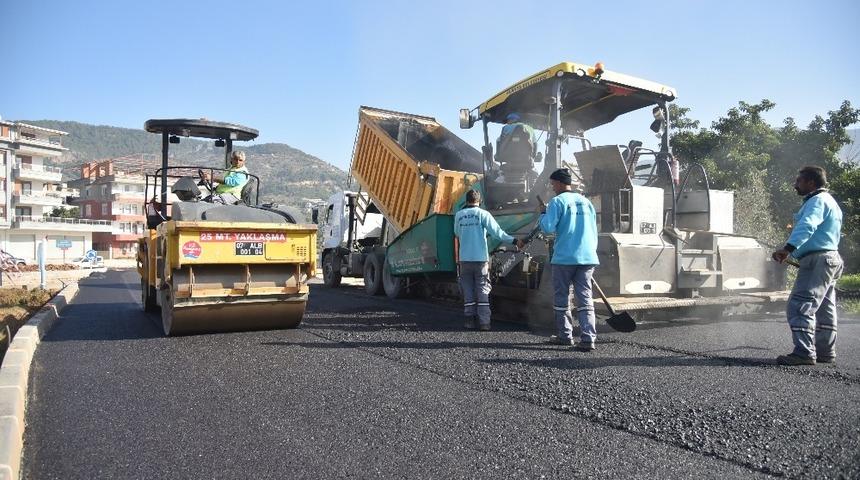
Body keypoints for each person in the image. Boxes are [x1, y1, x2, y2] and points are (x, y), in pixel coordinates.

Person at [771, 166, 843, 366]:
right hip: (831, 258)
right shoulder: (831, 202)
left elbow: (807, 225)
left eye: (799, 181)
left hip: (817, 260)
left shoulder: (816, 201)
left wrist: (787, 249)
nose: (795, 185)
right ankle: (825, 352)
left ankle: (804, 352)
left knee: (800, 305)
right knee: (825, 308)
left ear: (811, 182)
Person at [539, 168, 600, 351]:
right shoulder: (586, 202)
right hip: (588, 256)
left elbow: (547, 228)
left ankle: (565, 336)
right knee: (585, 298)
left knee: (562, 298)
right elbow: (593, 230)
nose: (552, 188)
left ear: (558, 183)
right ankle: (589, 338)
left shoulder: (557, 202)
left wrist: (543, 213)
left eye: (552, 184)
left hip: (565, 258)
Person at [454, 189, 520, 331]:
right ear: (480, 201)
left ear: (466, 201)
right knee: (482, 289)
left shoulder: (459, 215)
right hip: (480, 259)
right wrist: (514, 241)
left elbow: (457, 233)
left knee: (468, 290)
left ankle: (469, 321)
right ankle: (484, 323)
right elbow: (497, 233)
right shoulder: (483, 214)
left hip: (464, 259)